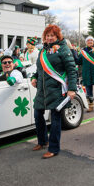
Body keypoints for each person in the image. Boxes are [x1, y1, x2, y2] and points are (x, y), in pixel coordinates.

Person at [31, 24, 77, 158]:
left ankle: (54, 148)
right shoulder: (43, 51)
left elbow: (71, 70)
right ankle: (42, 141)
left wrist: (72, 89)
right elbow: (39, 69)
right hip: (42, 90)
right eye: (47, 35)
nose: (49, 38)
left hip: (57, 89)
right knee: (37, 114)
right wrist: (35, 77)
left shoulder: (63, 50)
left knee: (55, 119)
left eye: (52, 35)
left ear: (57, 36)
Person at [70, 36, 94, 112]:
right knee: (89, 92)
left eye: (91, 40)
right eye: (88, 40)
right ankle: (90, 105)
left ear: (93, 41)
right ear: (86, 42)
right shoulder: (83, 52)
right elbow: (78, 61)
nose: (89, 42)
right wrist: (73, 52)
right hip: (86, 74)